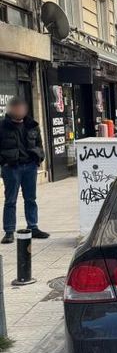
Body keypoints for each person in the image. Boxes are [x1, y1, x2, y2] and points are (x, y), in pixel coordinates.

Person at [0, 97, 49, 244]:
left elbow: (39, 144)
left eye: (21, 108)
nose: (19, 110)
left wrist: (38, 158)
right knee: (10, 200)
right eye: (16, 108)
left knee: (30, 199)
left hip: (30, 167)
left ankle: (33, 227)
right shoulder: (3, 126)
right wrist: (4, 162)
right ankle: (9, 232)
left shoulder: (32, 125)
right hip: (11, 167)